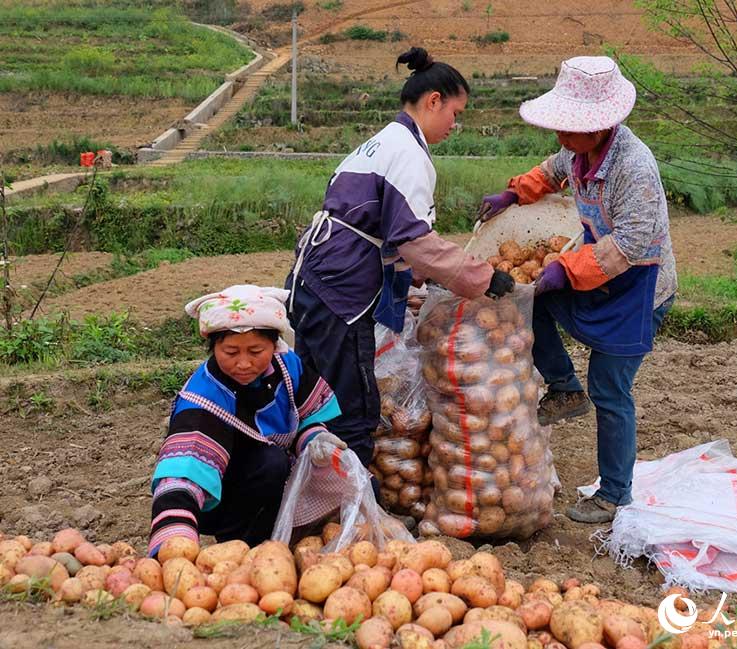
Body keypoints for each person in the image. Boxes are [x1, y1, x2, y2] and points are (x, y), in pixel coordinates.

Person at [285, 47, 515, 476]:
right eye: (455, 112)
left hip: (314, 278)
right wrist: (481, 277)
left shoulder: (380, 143)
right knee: (351, 406)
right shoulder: (409, 152)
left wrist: (413, 286)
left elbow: (387, 234)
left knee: (312, 394)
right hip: (343, 290)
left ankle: (304, 491)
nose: (455, 124)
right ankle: (353, 513)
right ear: (433, 101)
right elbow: (414, 241)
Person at [478, 56, 677, 524]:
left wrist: (565, 271)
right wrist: (513, 193)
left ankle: (614, 493)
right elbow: (550, 172)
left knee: (611, 388)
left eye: (570, 128)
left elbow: (630, 244)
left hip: (639, 287)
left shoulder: (635, 169)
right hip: (598, 274)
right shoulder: (578, 151)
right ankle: (565, 388)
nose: (560, 137)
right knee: (529, 299)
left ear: (602, 125)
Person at [148, 284, 346, 556]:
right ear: (214, 346)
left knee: (347, 471)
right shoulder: (204, 398)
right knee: (270, 462)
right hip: (221, 498)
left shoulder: (287, 366)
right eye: (230, 353)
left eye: (255, 352)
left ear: (275, 344)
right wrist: (173, 546)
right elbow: (183, 477)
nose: (243, 364)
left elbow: (304, 418)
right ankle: (241, 545)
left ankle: (285, 538)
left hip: (275, 483)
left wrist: (315, 440)